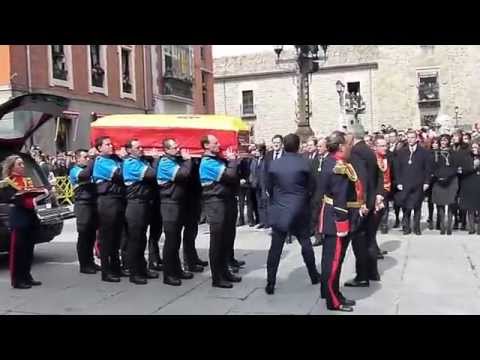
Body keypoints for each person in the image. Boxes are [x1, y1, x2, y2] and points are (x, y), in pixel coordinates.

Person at [265, 133, 320, 295]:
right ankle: (313, 275)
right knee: (305, 243)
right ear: (297, 146)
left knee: (275, 248)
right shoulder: (306, 163)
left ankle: (270, 282)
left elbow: (269, 188)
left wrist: (278, 200)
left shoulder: (274, 165)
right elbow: (312, 186)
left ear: (283, 145)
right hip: (300, 208)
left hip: (281, 209)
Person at [318, 131, 361, 312]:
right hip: (335, 220)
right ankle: (333, 301)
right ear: (342, 147)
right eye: (348, 145)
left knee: (332, 260)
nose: (351, 147)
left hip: (329, 216)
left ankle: (332, 292)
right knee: (333, 262)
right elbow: (339, 198)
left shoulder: (331, 161)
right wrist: (342, 223)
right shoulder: (338, 167)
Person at [199, 135, 241, 288]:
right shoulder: (208, 162)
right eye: (215, 143)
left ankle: (225, 272)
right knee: (217, 242)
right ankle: (217, 277)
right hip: (215, 203)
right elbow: (230, 175)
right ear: (206, 146)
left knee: (224, 240)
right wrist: (232, 161)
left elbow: (234, 177)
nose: (219, 144)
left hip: (224, 200)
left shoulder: (217, 159)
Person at [0, 155, 45, 289]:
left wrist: (43, 194)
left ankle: (27, 275)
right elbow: (12, 199)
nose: (22, 166)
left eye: (22, 164)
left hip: (30, 216)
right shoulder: (7, 182)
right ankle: (17, 279)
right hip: (19, 217)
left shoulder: (27, 180)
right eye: (19, 164)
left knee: (28, 249)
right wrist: (31, 201)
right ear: (12, 167)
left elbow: (32, 195)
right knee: (18, 250)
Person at [344, 124, 380, 288]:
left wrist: (362, 202)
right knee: (369, 238)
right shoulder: (368, 150)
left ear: (353, 136)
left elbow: (361, 179)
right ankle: (373, 272)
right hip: (371, 199)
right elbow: (377, 175)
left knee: (358, 239)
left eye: (347, 134)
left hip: (362, 202)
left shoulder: (357, 152)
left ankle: (362, 276)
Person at [122, 139, 159, 285]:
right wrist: (155, 159)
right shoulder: (131, 163)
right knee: (135, 241)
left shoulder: (140, 161)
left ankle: (142, 269)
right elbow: (152, 174)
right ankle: (134, 273)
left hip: (143, 203)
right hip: (135, 205)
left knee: (141, 239)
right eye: (137, 147)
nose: (141, 149)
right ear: (129, 150)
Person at [92, 136, 127, 282]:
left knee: (116, 237)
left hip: (118, 199)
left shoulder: (114, 160)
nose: (111, 146)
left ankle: (115, 267)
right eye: (107, 144)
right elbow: (120, 175)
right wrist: (125, 160)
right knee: (107, 238)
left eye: (111, 143)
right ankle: (106, 272)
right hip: (107, 201)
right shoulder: (101, 162)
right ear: (100, 148)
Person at [394, 130, 432, 235]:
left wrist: (426, 182)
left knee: (417, 206)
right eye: (408, 137)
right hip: (405, 183)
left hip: (418, 183)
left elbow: (427, 169)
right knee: (406, 206)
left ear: (416, 139)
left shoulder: (423, 152)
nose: (410, 139)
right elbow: (397, 168)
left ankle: (416, 227)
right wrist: (398, 182)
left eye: (412, 137)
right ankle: (406, 226)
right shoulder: (402, 152)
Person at [68, 149, 100, 274]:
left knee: (91, 235)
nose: (87, 159)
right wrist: (93, 159)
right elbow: (84, 176)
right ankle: (84, 264)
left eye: (88, 157)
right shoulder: (75, 170)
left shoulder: (90, 169)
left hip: (92, 204)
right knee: (84, 236)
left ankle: (91, 261)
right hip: (82, 206)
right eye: (85, 157)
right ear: (77, 159)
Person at [430, 134, 459, 235]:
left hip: (451, 181)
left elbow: (455, 167)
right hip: (438, 181)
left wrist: (447, 177)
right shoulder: (435, 153)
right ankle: (442, 226)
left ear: (448, 141)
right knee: (440, 204)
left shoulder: (453, 153)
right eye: (441, 141)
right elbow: (432, 167)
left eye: (445, 140)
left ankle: (449, 226)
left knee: (450, 203)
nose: (443, 142)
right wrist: (438, 176)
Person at [458, 139, 480, 234]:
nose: (474, 149)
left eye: (476, 147)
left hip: (478, 183)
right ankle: (471, 228)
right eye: (473, 147)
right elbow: (462, 171)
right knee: (470, 208)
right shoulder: (466, 157)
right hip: (468, 184)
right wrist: (473, 166)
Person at [311, 138, 329, 247]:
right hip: (316, 193)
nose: (318, 148)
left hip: (327, 194)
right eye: (317, 146)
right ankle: (318, 236)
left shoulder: (330, 160)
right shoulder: (315, 160)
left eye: (320, 146)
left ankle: (327, 235)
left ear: (326, 147)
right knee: (315, 215)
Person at [251, 143, 269, 229]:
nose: (255, 152)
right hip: (256, 184)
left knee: (265, 203)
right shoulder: (255, 160)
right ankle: (262, 221)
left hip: (264, 184)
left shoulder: (266, 160)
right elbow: (252, 171)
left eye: (257, 150)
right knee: (259, 203)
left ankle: (267, 222)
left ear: (261, 151)